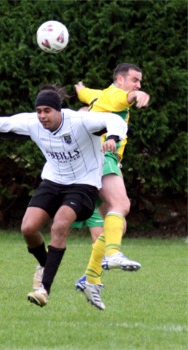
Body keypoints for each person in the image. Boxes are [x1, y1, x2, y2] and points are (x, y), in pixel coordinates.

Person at [0, 84, 128, 308]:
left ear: (59, 110)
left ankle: (44, 289)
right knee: (28, 228)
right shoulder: (33, 123)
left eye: (47, 111)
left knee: (59, 225)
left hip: (83, 186)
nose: (42, 116)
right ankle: (46, 264)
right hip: (53, 182)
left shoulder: (79, 121)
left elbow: (115, 120)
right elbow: (3, 123)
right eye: (39, 111)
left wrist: (112, 136)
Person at [74, 63, 150, 309]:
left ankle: (91, 278)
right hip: (103, 156)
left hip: (86, 161)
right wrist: (138, 95)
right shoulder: (117, 95)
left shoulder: (99, 94)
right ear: (120, 79)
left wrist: (80, 88)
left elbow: (86, 94)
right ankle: (112, 255)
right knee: (121, 204)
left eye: (140, 82)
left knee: (116, 223)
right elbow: (127, 96)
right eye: (134, 80)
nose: (138, 85)